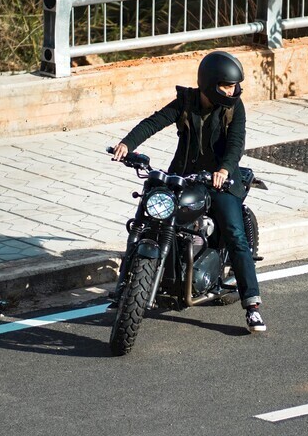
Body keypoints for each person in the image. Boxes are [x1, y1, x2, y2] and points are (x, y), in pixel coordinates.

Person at [112, 50, 266, 332]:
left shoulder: (234, 108)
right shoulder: (186, 103)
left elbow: (236, 143)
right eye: (227, 86)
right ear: (209, 84)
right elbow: (154, 122)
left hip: (220, 179)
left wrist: (223, 170)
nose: (233, 90)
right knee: (147, 219)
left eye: (234, 86)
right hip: (183, 176)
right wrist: (127, 144)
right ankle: (125, 287)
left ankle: (252, 305)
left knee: (234, 233)